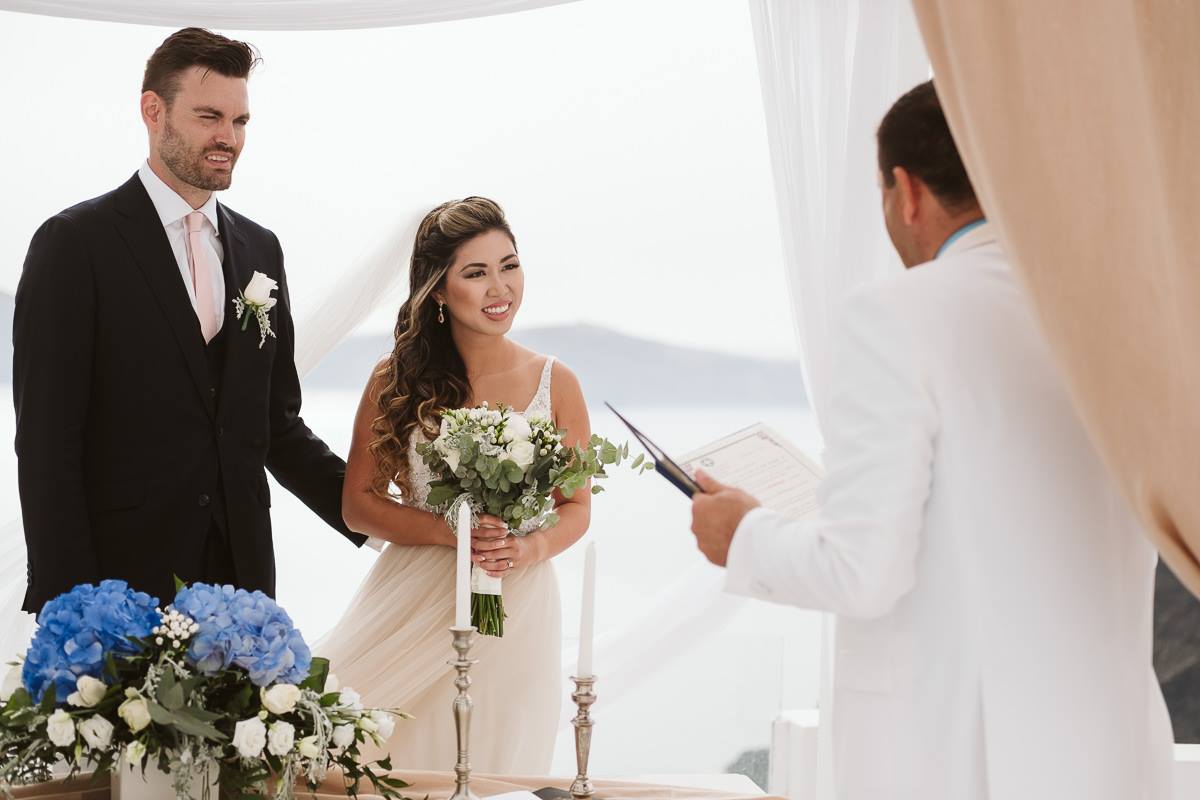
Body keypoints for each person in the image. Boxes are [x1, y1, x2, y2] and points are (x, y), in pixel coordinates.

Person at [689, 80, 1173, 799]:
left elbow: (861, 571)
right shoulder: (1116, 313)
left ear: (907, 191)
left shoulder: (894, 315)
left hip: (961, 757)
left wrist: (744, 534)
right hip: (1113, 754)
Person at [11, 27, 365, 614]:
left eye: (240, 121)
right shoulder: (75, 243)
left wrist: (385, 521)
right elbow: (48, 443)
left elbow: (274, 427)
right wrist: (72, 602)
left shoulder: (260, 249)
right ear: (153, 111)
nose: (229, 137)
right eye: (209, 117)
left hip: (243, 588)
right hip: (119, 586)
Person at [316, 197, 591, 773]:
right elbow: (359, 505)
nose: (500, 288)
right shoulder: (395, 380)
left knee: (494, 764)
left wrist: (527, 548)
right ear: (439, 289)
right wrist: (453, 531)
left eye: (509, 265)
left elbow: (576, 506)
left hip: (519, 603)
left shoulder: (556, 381)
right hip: (417, 595)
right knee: (368, 753)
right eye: (476, 272)